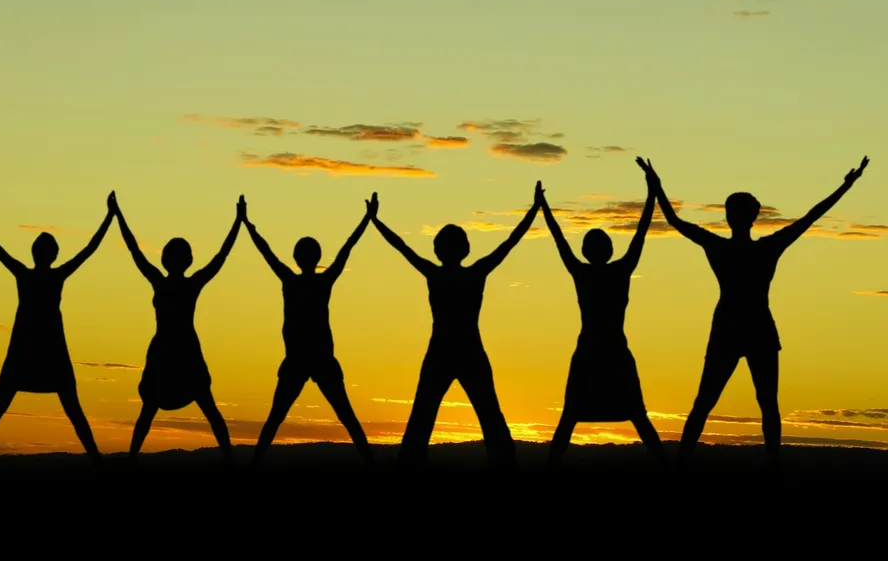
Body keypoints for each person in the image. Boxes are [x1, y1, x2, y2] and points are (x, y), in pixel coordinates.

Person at [639, 155, 869, 471]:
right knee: (750, 405)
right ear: (752, 217)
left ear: (734, 217)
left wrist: (657, 187)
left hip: (742, 330)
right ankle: (752, 465)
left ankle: (689, 465)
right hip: (748, 329)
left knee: (713, 404)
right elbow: (811, 217)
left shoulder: (725, 246)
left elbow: (674, 220)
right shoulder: (762, 247)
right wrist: (845, 186)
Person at [370, 183, 542, 472]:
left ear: (440, 250)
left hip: (451, 352)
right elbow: (509, 243)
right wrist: (534, 210)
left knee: (435, 418)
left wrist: (377, 221)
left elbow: (402, 247)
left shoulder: (444, 273)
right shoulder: (469, 273)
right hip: (460, 352)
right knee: (478, 417)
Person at [0, 185, 114, 466]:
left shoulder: (27, 274)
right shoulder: (51, 275)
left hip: (36, 349)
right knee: (71, 411)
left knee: (0, 409)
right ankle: (97, 462)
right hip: (39, 349)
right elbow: (90, 249)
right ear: (53, 255)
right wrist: (110, 216)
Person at [539, 172, 666, 470]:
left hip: (605, 352)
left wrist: (652, 193)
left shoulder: (597, 272)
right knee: (590, 415)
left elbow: (640, 233)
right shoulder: (610, 271)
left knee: (591, 415)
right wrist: (652, 193)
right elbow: (640, 233)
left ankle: (665, 467)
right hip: (601, 351)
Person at [245, 194, 378, 469]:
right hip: (303, 359)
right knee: (342, 416)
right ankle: (371, 463)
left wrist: (247, 224)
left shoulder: (297, 280)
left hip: (313, 359)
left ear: (298, 258)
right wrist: (367, 218)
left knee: (282, 417)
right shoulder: (311, 280)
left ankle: (255, 463)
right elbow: (346, 249)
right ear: (315, 258)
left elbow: (266, 251)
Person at [115, 192, 244, 466]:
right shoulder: (168, 282)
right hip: (167, 352)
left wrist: (238, 221)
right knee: (153, 410)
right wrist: (118, 216)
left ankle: (229, 460)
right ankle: (132, 461)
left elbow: (221, 256)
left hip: (182, 352)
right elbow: (134, 249)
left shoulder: (181, 284)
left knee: (203, 409)